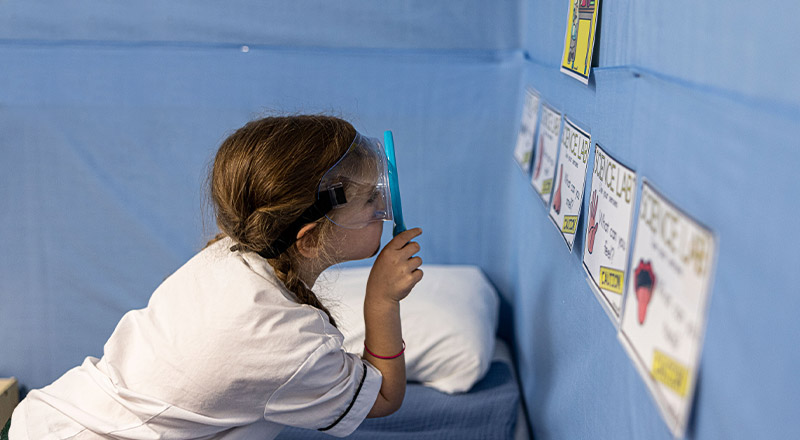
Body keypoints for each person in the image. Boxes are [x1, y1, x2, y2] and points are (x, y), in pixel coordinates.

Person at [8, 115, 423, 439]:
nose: (381, 209)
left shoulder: (228, 253)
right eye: (371, 200)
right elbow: (383, 397)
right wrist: (381, 301)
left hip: (50, 417)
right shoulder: (288, 341)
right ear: (310, 240)